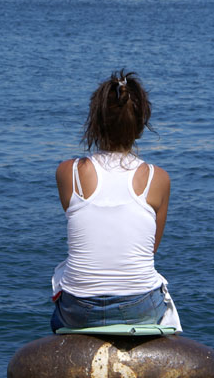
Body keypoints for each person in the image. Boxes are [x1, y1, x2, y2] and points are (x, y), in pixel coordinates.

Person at [51, 70, 181, 332]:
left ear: (95, 123)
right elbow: (149, 249)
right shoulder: (157, 179)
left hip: (78, 309)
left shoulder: (69, 172)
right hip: (138, 306)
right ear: (141, 125)